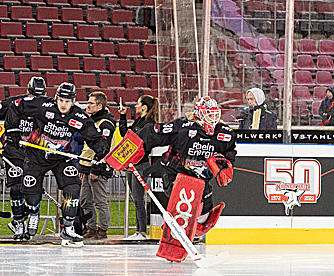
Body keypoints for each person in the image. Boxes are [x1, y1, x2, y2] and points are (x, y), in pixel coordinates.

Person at [17, 83, 111, 247]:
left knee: (73, 187)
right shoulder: (43, 105)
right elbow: (15, 106)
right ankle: (32, 215)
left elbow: (94, 137)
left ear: (73, 101)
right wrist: (12, 132)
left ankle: (67, 227)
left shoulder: (79, 116)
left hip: (61, 157)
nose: (63, 104)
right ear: (56, 98)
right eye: (60, 100)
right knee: (31, 187)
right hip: (37, 154)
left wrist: (102, 153)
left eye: (67, 101)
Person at [133, 96, 236, 244]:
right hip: (175, 174)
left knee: (205, 215)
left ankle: (190, 234)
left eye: (215, 115)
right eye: (209, 115)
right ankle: (175, 234)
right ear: (200, 114)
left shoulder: (226, 134)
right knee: (183, 207)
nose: (212, 119)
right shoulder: (183, 127)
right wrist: (134, 146)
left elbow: (230, 153)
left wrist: (225, 164)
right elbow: (154, 133)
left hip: (200, 179)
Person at [0, 76, 47, 240]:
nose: (35, 100)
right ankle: (18, 222)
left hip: (35, 153)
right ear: (27, 92)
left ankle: (32, 215)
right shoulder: (15, 103)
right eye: (33, 95)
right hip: (14, 151)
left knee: (31, 187)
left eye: (39, 96)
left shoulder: (48, 107)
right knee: (16, 187)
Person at [117, 95, 158, 241]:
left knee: (139, 199)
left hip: (141, 164)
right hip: (132, 163)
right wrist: (123, 116)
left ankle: (142, 231)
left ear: (144, 107)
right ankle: (139, 230)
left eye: (138, 104)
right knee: (136, 198)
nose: (135, 106)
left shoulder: (149, 124)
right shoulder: (139, 121)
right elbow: (125, 135)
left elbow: (138, 142)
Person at [77, 92, 116, 240]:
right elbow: (87, 146)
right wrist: (83, 167)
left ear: (100, 106)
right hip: (87, 165)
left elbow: (104, 148)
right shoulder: (93, 120)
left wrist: (96, 169)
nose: (87, 105)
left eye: (91, 103)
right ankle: (91, 227)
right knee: (85, 200)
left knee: (99, 200)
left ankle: (103, 229)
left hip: (98, 167)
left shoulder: (106, 122)